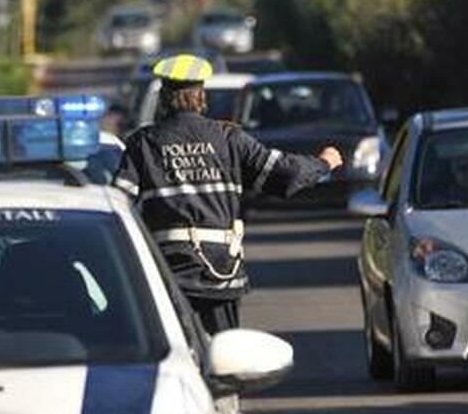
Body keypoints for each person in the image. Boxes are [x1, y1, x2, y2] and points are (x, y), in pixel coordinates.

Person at [112, 54, 344, 334]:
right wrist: (323, 163)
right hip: (220, 277)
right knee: (224, 359)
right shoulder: (229, 139)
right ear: (201, 96)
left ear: (163, 96)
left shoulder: (142, 144)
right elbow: (285, 175)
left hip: (167, 278)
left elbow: (118, 205)